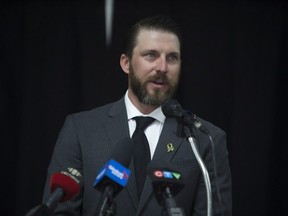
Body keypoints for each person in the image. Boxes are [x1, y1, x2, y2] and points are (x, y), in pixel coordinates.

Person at [42, 15, 232, 215]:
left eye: (172, 58)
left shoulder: (205, 139)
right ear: (126, 63)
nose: (162, 67)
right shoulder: (81, 130)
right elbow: (59, 210)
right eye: (151, 55)